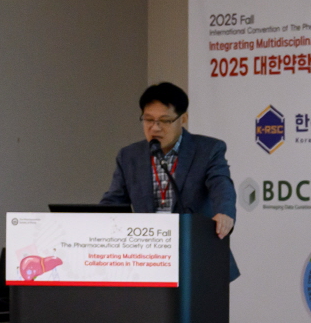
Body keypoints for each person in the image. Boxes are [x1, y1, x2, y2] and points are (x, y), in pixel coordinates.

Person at [101, 82, 239, 280]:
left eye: (165, 121)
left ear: (183, 119)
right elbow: (114, 201)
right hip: (147, 258)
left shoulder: (208, 149)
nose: (155, 128)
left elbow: (221, 185)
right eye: (148, 120)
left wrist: (224, 213)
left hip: (195, 252)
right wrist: (94, 222)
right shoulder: (129, 156)